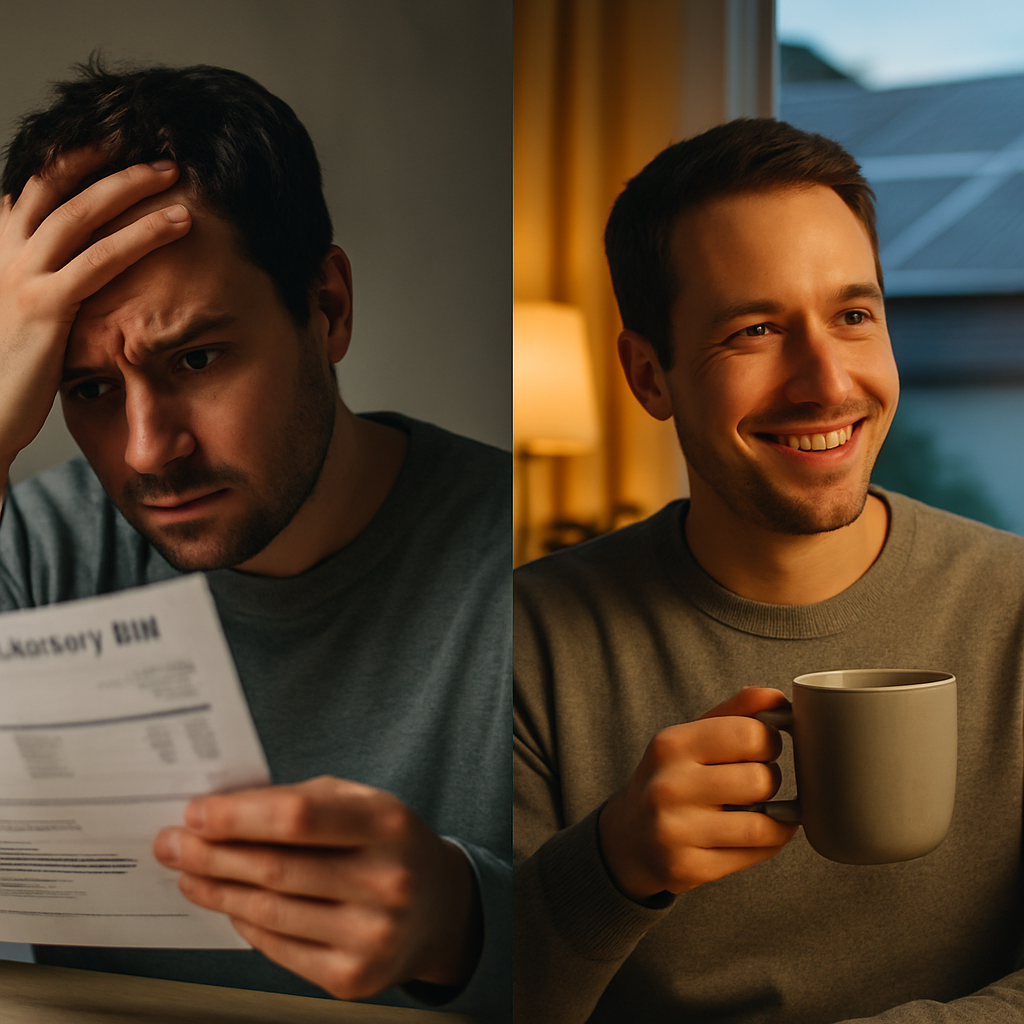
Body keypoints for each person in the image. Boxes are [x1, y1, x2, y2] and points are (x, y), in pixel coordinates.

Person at [0, 59, 509, 1020]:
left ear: (330, 308)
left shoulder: (532, 564)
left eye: (196, 357)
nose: (150, 451)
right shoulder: (34, 551)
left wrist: (463, 925)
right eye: (87, 390)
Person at [513, 118, 1024, 1023]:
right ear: (650, 377)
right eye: (754, 330)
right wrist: (611, 868)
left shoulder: (1015, 607)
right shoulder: (520, 644)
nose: (827, 383)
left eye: (854, 316)